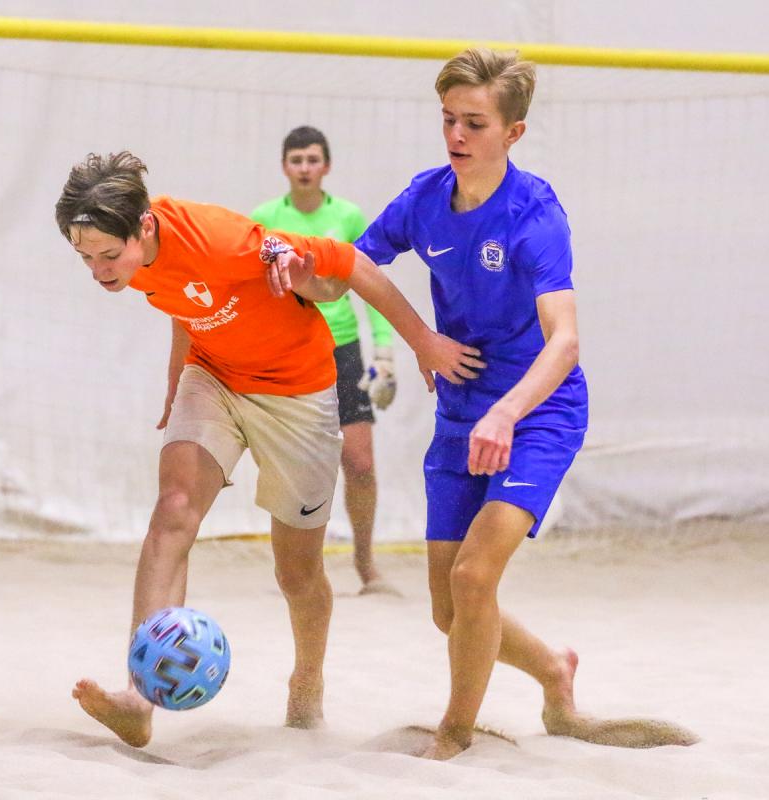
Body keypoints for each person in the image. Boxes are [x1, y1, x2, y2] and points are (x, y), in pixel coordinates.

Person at [55, 151, 483, 748]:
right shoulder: (133, 258)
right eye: (85, 258)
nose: (98, 271)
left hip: (298, 392)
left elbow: (351, 264)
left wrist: (422, 342)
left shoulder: (226, 240)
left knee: (296, 571)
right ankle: (139, 696)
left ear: (145, 226)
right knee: (173, 511)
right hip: (215, 376)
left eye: (107, 255)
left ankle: (307, 682)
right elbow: (183, 299)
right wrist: (177, 379)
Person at [355, 48, 697, 759]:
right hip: (461, 412)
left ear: (513, 133)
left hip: (537, 415)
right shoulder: (424, 198)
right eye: (448, 119)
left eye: (474, 123)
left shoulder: (535, 213)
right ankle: (553, 671)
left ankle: (454, 736)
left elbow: (565, 341)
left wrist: (506, 412)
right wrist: (417, 336)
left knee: (473, 576)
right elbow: (353, 264)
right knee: (449, 609)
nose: (456, 135)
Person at [251, 126, 397, 594]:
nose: (305, 168)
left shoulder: (348, 217)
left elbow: (370, 284)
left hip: (343, 351)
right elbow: (253, 292)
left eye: (313, 159)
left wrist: (384, 351)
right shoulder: (265, 219)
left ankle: (366, 565)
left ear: (327, 166)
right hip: (291, 353)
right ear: (284, 166)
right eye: (296, 160)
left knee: (360, 464)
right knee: (296, 469)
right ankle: (297, 569)